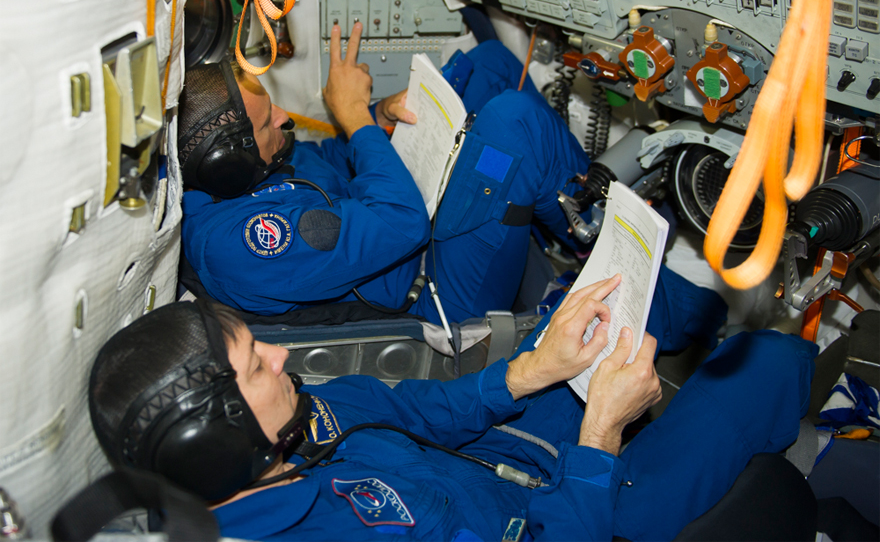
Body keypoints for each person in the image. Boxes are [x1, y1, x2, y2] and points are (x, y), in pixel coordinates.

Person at [88, 284, 818, 540]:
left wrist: (537, 370)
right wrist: (600, 434)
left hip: (504, 455)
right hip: (585, 518)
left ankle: (704, 321)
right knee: (774, 361)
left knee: (605, 304)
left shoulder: (297, 423)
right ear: (213, 442)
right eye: (255, 366)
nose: (280, 358)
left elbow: (421, 409)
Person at [179, 21, 726, 336]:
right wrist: (355, 119)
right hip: (430, 301)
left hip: (392, 234)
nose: (284, 119)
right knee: (512, 126)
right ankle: (670, 301)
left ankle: (570, 222)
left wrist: (381, 120)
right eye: (266, 123)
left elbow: (324, 167)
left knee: (486, 64)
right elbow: (401, 224)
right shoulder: (247, 245)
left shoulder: (239, 176)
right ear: (230, 159)